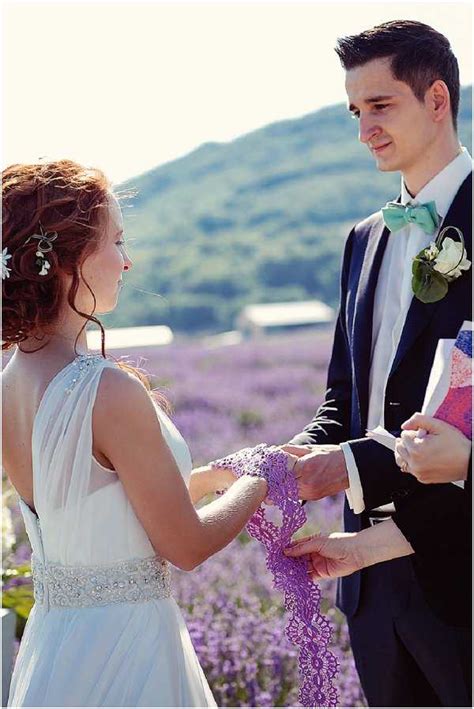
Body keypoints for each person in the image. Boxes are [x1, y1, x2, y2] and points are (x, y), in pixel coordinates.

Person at [1, 160, 294, 707]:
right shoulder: (103, 389)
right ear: (68, 260)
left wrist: (205, 479)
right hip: (128, 650)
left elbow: (91, 512)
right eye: (116, 239)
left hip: (57, 649)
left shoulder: (8, 380)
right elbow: (184, 546)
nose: (127, 260)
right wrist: (263, 475)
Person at [285, 20, 472, 707]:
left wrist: (354, 464)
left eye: (380, 106)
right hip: (365, 576)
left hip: (463, 570)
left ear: (437, 99)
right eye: (354, 112)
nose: (364, 128)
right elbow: (344, 398)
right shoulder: (363, 240)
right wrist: (291, 460)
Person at [286, 414, 471, 626]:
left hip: (456, 576)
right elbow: (341, 400)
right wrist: (296, 456)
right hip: (363, 586)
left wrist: (352, 462)